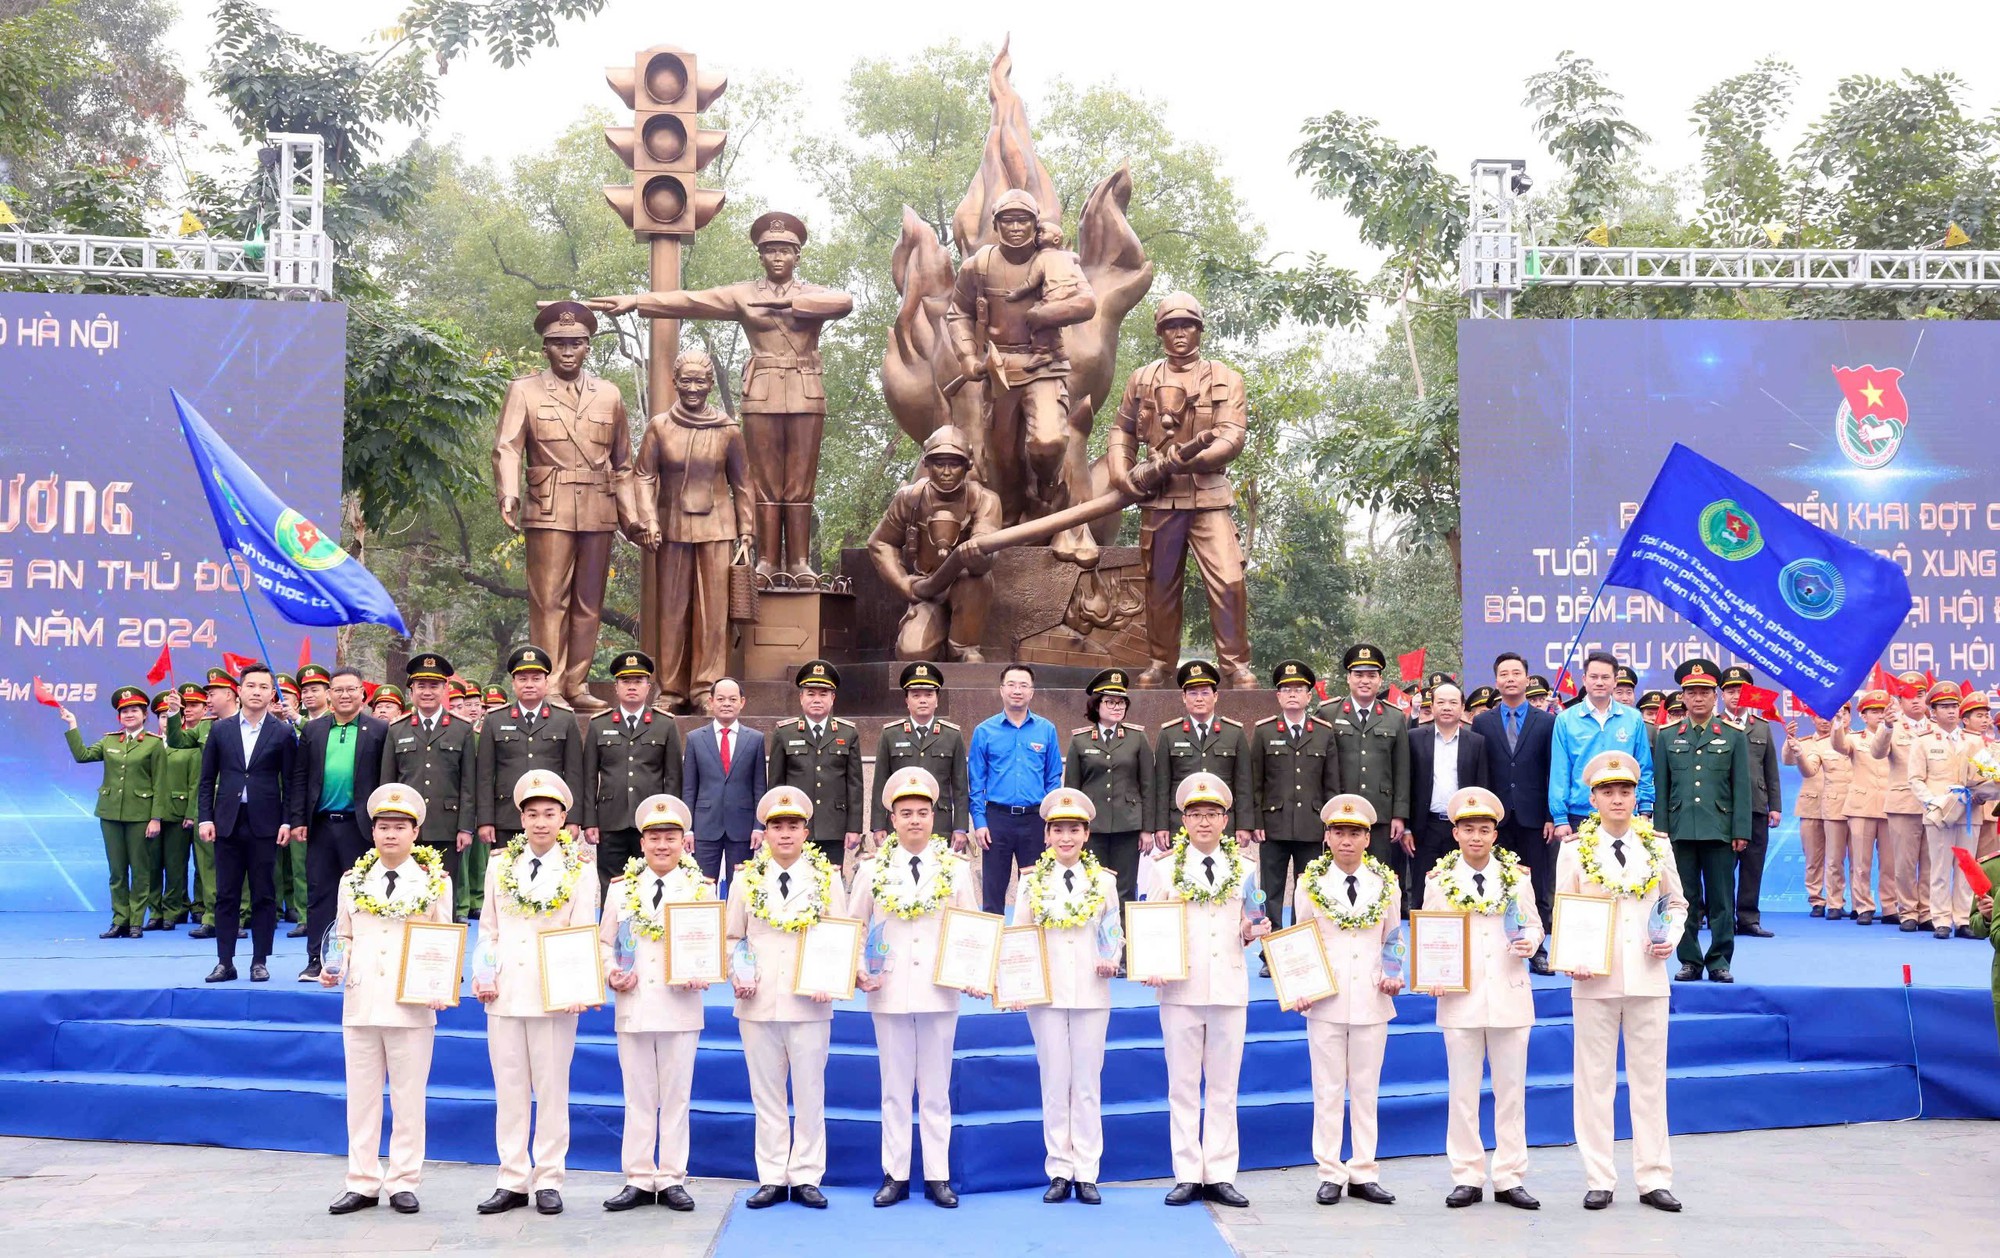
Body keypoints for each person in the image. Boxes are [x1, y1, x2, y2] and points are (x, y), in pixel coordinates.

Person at [592, 212, 854, 579]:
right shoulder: (743, 294)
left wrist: (787, 306)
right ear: (760, 256)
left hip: (805, 389)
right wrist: (637, 301)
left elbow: (844, 302)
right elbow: (688, 300)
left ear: (798, 256)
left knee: (799, 480)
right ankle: (766, 560)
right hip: (761, 391)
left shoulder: (813, 294)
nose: (778, 257)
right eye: (770, 251)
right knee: (763, 479)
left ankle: (797, 561)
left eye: (785, 251)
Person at [492, 301, 642, 713]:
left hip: (598, 506)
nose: (568, 350)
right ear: (545, 349)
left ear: (589, 347)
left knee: (589, 601)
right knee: (548, 599)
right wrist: (509, 491)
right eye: (559, 344)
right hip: (549, 503)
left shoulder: (609, 394)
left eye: (576, 343)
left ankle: (576, 683)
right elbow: (507, 446)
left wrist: (632, 517)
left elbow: (623, 464)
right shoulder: (524, 389)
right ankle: (550, 684)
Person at [1557, 750, 1688, 1213]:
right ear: (1593, 799)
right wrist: (1571, 957)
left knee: (1650, 1080)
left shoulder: (1657, 845)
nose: (1618, 799)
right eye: (1608, 792)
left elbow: (1676, 903)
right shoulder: (1574, 850)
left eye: (1625, 791)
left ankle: (1654, 1177)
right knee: (1594, 1081)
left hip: (1649, 976)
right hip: (1594, 978)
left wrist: (1670, 936)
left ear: (1636, 796)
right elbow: (1565, 909)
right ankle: (1599, 1177)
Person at [1106, 292, 1254, 688]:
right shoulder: (1142, 378)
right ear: (1160, 333)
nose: (1179, 333)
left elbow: (1232, 436)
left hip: (1208, 496)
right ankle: (1159, 662)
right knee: (1159, 585)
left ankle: (1236, 664)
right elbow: (1122, 430)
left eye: (1187, 324)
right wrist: (1121, 472)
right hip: (1159, 497)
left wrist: (1188, 460)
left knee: (1229, 580)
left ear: (1199, 329)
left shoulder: (1225, 377)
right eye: (1171, 326)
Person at [848, 767, 980, 1208]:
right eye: (906, 813)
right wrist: (854, 969)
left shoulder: (957, 870)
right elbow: (854, 925)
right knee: (894, 1087)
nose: (915, 821)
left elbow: (972, 927)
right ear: (892, 820)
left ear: (934, 817)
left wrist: (975, 972)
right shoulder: (871, 870)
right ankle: (896, 1173)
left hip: (940, 989)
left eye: (923, 812)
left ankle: (938, 1175)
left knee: (937, 1087)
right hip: (888, 987)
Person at [322, 782, 453, 1217]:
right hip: (361, 1002)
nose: (390, 834)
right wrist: (332, 964)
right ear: (372, 832)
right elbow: (342, 934)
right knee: (361, 1098)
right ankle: (361, 1180)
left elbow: (443, 937)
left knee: (408, 1098)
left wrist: (440, 984)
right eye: (383, 827)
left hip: (411, 1003)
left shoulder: (434, 882)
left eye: (399, 827)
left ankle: (402, 1181)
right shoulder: (352, 880)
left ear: (415, 833)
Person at [473, 770, 599, 1217]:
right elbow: (488, 930)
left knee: (551, 1089)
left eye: (550, 813)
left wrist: (581, 984)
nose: (540, 822)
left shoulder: (580, 870)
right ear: (521, 818)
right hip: (505, 993)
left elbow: (585, 931)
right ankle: (511, 1178)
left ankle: (548, 1177)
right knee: (508, 1089)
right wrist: (484, 972)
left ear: (565, 818)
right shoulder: (498, 864)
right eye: (532, 814)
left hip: (555, 995)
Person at [1145, 772, 1269, 1208]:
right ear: (1183, 820)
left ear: (1224, 819)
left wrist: (1254, 928)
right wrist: (1152, 963)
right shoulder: (1163, 868)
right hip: (1180, 988)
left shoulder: (1247, 868)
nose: (1204, 822)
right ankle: (1186, 1173)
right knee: (1181, 1086)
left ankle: (1220, 1172)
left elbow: (1251, 919)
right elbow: (1150, 925)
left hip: (1230, 986)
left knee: (1223, 1087)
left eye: (1212, 814)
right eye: (1196, 814)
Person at [945, 190, 1098, 541]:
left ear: (1035, 224)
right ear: (997, 224)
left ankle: (1047, 493)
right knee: (1001, 455)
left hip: (1044, 365)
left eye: (1023, 220)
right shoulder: (978, 266)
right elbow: (958, 313)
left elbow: (1087, 302)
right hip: (999, 369)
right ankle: (1011, 518)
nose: (1016, 227)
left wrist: (1045, 313)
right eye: (1008, 220)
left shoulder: (1056, 261)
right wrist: (968, 356)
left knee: (1048, 441)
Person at [1421, 786, 1542, 1210]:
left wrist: (1529, 941)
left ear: (1495, 834)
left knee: (1512, 1093)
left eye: (1485, 829)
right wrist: (1430, 973)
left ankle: (1510, 1176)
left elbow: (1534, 924)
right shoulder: (1438, 881)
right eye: (1468, 828)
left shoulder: (1517, 876)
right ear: (1455, 833)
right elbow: (1430, 934)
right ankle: (1467, 1174)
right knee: (1463, 1092)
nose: (1476, 836)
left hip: (1509, 994)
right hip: (1460, 998)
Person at [727, 786, 844, 1210]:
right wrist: (738, 971)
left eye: (793, 826)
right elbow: (733, 937)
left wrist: (830, 976)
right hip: (757, 1000)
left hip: (808, 999)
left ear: (806, 832)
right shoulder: (745, 878)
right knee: (767, 1092)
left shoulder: (827, 878)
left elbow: (838, 933)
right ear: (766, 832)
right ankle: (773, 1174)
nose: (786, 834)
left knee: (811, 1089)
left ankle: (808, 1174)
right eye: (777, 826)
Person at [598, 792, 712, 1213]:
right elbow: (605, 940)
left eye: (670, 837)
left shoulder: (700, 889)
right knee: (639, 1095)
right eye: (654, 837)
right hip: (635, 1002)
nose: (662, 845)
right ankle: (639, 1176)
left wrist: (705, 969)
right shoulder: (622, 888)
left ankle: (672, 1177)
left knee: (677, 1096)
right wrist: (610, 971)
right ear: (641, 843)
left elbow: (710, 944)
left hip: (681, 1006)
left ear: (685, 842)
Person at [1290, 793, 1401, 1207]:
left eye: (1355, 833)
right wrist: (1298, 984)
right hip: (1326, 999)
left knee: (1367, 1088)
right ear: (1327, 837)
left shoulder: (1385, 883)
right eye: (1339, 832)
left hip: (1372, 999)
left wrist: (1393, 975)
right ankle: (1330, 1172)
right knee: (1328, 1088)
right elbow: (1300, 937)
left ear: (1368, 839)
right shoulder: (1310, 883)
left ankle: (1364, 1170)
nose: (1347, 841)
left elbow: (1393, 939)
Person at [1012, 786, 1121, 1204]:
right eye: (1058, 830)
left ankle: (1088, 1170)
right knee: (1055, 1080)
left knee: (1088, 1081)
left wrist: (1111, 956)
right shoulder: (1030, 883)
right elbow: (1019, 935)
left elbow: (1112, 929)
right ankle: (1059, 1168)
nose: (1066, 838)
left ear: (1087, 834)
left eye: (1074, 829)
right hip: (1047, 993)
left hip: (1092, 990)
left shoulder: (1104, 881)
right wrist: (1017, 983)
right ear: (1046, 836)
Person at [630, 350, 756, 710]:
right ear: (674, 382)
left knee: (713, 614)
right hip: (670, 527)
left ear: (711, 384)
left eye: (700, 381)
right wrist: (649, 518)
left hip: (717, 527)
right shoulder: (659, 426)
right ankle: (670, 689)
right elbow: (642, 475)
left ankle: (706, 688)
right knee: (672, 611)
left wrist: (747, 530)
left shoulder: (728, 429)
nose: (693, 388)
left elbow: (744, 483)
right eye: (686, 380)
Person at [198, 663, 299, 983]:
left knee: (263, 894)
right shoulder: (220, 729)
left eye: (263, 687)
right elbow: (205, 780)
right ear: (238, 691)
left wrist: (287, 821)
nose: (256, 692)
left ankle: (260, 960)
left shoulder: (282, 732)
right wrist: (205, 818)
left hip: (265, 824)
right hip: (227, 822)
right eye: (251, 686)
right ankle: (224, 961)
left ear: (273, 693)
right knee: (225, 894)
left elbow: (292, 781)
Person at [867, 425, 1002, 662]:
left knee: (976, 582)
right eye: (939, 463)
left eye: (955, 464)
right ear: (927, 465)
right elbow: (881, 543)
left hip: (965, 585)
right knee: (912, 653)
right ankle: (933, 636)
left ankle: (963, 647)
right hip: (928, 588)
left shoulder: (984, 500)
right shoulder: (909, 499)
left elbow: (986, 546)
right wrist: (903, 583)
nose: (946, 472)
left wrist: (977, 553)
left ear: (967, 466)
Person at [1654, 659, 1750, 983]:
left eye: (1705, 692)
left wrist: (1741, 830)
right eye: (1692, 692)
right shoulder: (1667, 736)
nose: (1698, 698)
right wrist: (1660, 830)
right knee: (1686, 899)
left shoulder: (1734, 735)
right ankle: (1690, 960)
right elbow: (1662, 788)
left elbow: (1741, 787)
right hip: (1680, 830)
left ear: (1715, 697)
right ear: (1682, 697)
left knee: (1723, 901)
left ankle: (1720, 960)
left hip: (1720, 830)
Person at [292, 667, 390, 981]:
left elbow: (385, 778)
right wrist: (297, 819)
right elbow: (300, 777)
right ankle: (317, 959)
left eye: (351, 689)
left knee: (362, 894)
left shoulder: (378, 730)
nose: (345, 695)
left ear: (363, 693)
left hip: (360, 826)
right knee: (320, 893)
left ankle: (362, 959)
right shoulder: (314, 730)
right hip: (321, 824)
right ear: (329, 695)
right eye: (339, 690)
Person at [1472, 652, 1558, 974]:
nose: (1510, 678)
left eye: (1516, 673)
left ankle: (1537, 948)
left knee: (1535, 883)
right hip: (1496, 819)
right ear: (1496, 681)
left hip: (1534, 817)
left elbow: (1552, 771)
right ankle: (1500, 944)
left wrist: (1551, 815)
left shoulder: (1546, 722)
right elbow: (1481, 769)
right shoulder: (1482, 722)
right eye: (1504, 674)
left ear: (1526, 679)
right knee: (1498, 882)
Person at [378, 652, 477, 923]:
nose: (428, 692)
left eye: (434, 685)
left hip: (447, 825)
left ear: (445, 689)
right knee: (406, 892)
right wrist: (388, 826)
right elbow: (387, 783)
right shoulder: (397, 729)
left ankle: (442, 955)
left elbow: (469, 784)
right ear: (411, 690)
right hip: (405, 828)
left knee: (445, 896)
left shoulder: (461, 729)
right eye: (421, 685)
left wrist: (466, 827)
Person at [60, 686, 165, 938]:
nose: (129, 714)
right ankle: (120, 920)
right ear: (119, 716)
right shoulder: (109, 741)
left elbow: (161, 783)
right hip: (110, 814)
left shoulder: (153, 744)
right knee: (117, 871)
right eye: (124, 711)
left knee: (140, 870)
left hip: (140, 815)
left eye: (134, 710)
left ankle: (137, 921)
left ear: (143, 715)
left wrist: (156, 818)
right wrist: (72, 724)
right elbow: (82, 755)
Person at [1249, 659, 1341, 943]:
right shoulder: (1264, 732)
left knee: (1307, 891)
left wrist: (1331, 824)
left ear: (1308, 695)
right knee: (1271, 892)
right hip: (1273, 825)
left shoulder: (1324, 733)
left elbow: (1332, 785)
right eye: (1286, 689)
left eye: (1298, 689)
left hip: (1312, 826)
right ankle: (1271, 951)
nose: (1292, 694)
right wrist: (1256, 821)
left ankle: (1303, 948)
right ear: (1277, 695)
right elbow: (1255, 783)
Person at [581, 650, 684, 888]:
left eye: (638, 681)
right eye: (625, 681)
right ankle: (610, 927)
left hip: (651, 819)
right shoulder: (599, 724)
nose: (632, 686)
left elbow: (673, 777)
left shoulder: (665, 724)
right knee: (611, 885)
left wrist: (669, 819)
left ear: (649, 687)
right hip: (610, 819)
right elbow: (588, 778)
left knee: (651, 883)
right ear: (615, 687)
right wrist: (590, 821)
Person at [968, 664, 1065, 914]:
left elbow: (1053, 780)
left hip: (1035, 820)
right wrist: (979, 821)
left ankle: (1032, 951)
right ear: (1001, 690)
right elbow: (976, 782)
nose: (1017, 690)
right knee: (993, 891)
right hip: (996, 820)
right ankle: (993, 949)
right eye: (1011, 684)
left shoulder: (1047, 730)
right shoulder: (984, 731)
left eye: (1023, 685)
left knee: (1035, 892)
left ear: (1032, 692)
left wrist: (1050, 822)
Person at [474, 646, 583, 865]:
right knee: (507, 878)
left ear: (546, 683)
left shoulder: (565, 719)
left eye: (536, 678)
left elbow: (574, 773)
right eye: (522, 679)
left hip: (551, 819)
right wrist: (485, 820)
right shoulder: (495, 720)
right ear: (513, 684)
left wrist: (573, 819)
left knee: (553, 880)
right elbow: (484, 775)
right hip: (506, 817)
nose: (529, 684)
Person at [1327, 644, 1412, 900]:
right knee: (1336, 878)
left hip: (1380, 813)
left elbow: (1402, 768)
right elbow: (1323, 768)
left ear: (1380, 680)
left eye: (1371, 675)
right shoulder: (1328, 713)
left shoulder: (1395, 717)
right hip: (1340, 812)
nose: (1365, 681)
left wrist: (1399, 815)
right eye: (1359, 674)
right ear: (1348, 678)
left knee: (1378, 877)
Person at [1064, 668, 1153, 905]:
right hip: (1093, 827)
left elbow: (1148, 786)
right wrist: (1074, 829)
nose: (1117, 707)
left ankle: (1122, 941)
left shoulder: (1136, 738)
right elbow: (1072, 789)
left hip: (1128, 825)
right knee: (1092, 886)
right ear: (1096, 705)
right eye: (1110, 702)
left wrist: (1147, 829)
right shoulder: (1080, 740)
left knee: (1125, 889)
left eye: (1121, 702)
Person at [1151, 660, 1255, 861]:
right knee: (1181, 883)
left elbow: (1243, 784)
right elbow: (1161, 785)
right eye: (1192, 693)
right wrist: (1161, 826)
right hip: (1179, 824)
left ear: (1215, 696)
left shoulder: (1234, 733)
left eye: (1205, 693)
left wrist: (1244, 825)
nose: (1199, 698)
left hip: (1222, 823)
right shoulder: (1169, 734)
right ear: (1183, 697)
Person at [767, 660, 864, 868]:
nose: (817, 699)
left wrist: (854, 827)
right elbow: (775, 783)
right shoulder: (785, 733)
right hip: (794, 827)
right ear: (801, 697)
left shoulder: (848, 733)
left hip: (833, 826)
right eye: (811, 693)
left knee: (831, 887)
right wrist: (775, 826)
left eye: (823, 694)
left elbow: (855, 784)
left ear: (833, 698)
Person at [1549, 651, 1655, 841]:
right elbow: (1560, 771)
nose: (1599, 682)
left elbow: (1644, 766)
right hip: (1580, 814)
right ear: (1584, 679)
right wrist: (1560, 818)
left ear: (1615, 681)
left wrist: (1645, 809)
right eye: (1594, 677)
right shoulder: (1565, 720)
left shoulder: (1633, 718)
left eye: (1605, 677)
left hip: (1624, 812)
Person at [870, 662, 970, 854]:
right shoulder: (890, 734)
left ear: (937, 700)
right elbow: (880, 783)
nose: (922, 700)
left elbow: (960, 787)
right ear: (906, 701)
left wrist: (960, 827)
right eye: (916, 695)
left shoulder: (952, 735)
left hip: (940, 824)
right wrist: (878, 825)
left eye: (928, 695)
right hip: (900, 823)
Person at [1408, 683, 1490, 905]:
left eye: (1453, 702)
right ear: (1432, 706)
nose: (1446, 707)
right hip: (1425, 827)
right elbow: (1407, 783)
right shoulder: (1414, 738)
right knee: (1422, 891)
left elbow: (1481, 786)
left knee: (1462, 890)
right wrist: (1407, 827)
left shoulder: (1476, 742)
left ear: (1462, 708)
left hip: (1463, 827)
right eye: (1440, 702)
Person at [1909, 681, 1977, 938]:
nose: (1950, 711)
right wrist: (1935, 803)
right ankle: (1940, 920)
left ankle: (1962, 919)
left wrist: (1983, 792)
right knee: (1939, 867)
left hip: (1970, 812)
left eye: (1954, 706)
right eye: (1944, 707)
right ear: (1933, 712)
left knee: (1966, 866)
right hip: (1939, 814)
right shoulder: (1923, 741)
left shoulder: (1973, 740)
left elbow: (1985, 773)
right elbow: (1915, 779)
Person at [1719, 666, 1783, 937]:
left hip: (1756, 804)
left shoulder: (1762, 727)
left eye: (1740, 691)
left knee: (1753, 863)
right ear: (1722, 695)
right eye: (1730, 691)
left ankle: (1748, 918)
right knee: (1722, 866)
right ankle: (1721, 918)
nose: (1735, 696)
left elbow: (1771, 769)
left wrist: (1776, 806)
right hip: (1724, 807)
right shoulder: (1715, 725)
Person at [682, 676, 765, 881]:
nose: (726, 704)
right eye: (720, 699)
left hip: (742, 828)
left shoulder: (755, 739)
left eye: (732, 699)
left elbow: (759, 787)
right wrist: (688, 829)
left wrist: (758, 826)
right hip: (705, 827)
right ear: (711, 702)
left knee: (741, 887)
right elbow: (689, 788)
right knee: (702, 886)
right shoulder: (695, 739)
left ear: (742, 703)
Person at [1872, 672, 1935, 931]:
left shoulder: (1937, 728)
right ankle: (1907, 911)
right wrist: (1886, 727)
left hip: (1935, 805)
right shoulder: (1892, 726)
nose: (1916, 701)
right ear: (1899, 700)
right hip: (1903, 803)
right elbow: (1877, 752)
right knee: (1905, 863)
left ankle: (1929, 912)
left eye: (1921, 695)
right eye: (1909, 696)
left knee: (1932, 863)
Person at [1832, 693, 1890, 924]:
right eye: (1873, 711)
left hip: (1889, 806)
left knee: (1890, 863)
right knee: (1861, 863)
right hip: (1861, 806)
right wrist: (1837, 722)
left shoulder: (1894, 736)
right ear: (1863, 716)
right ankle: (1863, 906)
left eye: (1881, 710)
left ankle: (1890, 906)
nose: (1878, 715)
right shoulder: (1855, 738)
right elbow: (1839, 745)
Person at [1783, 705, 1841, 918]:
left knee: (1837, 858)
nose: (1825, 721)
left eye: (1830, 716)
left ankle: (1837, 900)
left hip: (1840, 806)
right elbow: (1788, 761)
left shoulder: (1845, 741)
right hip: (1812, 806)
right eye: (1820, 716)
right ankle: (1816, 899)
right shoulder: (1805, 743)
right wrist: (1790, 741)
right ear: (1812, 718)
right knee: (1813, 858)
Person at [150, 689, 197, 928]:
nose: (166, 721)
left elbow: (195, 782)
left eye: (170, 716)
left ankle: (173, 911)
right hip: (151, 815)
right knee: (152, 865)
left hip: (178, 815)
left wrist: (190, 813)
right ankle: (155, 911)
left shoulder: (189, 745)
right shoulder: (149, 744)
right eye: (162, 716)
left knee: (176, 866)